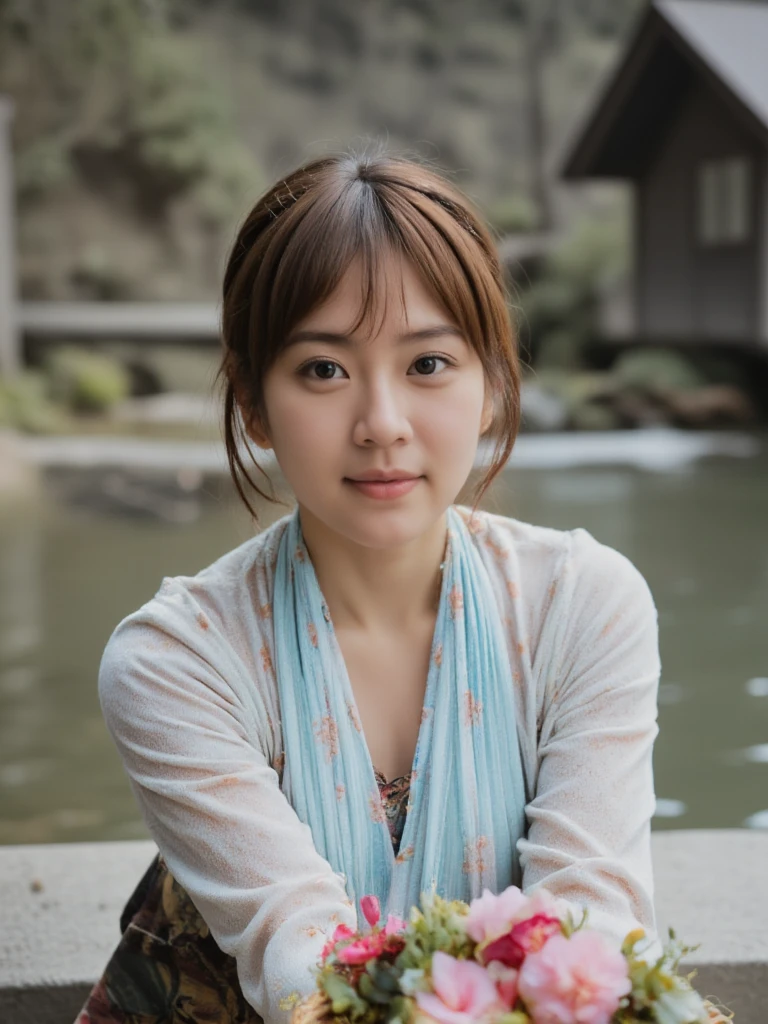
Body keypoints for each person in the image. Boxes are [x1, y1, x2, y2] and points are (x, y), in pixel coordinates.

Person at [75, 150, 662, 1024]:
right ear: (253, 401)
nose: (382, 425)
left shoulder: (581, 605)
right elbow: (300, 955)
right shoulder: (179, 660)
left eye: (428, 365)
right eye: (324, 369)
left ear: (495, 386)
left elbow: (589, 929)